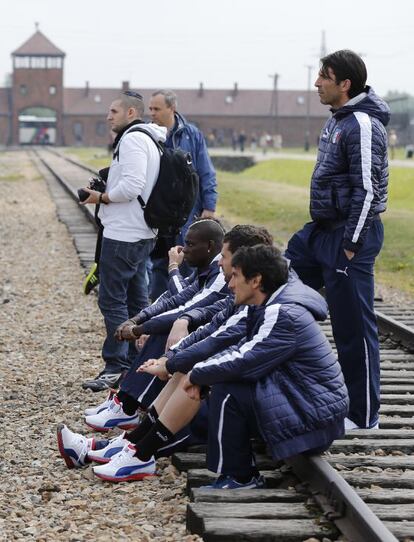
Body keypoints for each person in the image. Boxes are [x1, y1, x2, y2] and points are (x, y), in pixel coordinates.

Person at [57, 244, 348, 485]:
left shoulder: (282, 313)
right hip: (289, 397)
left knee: (216, 387)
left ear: (256, 280)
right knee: (195, 373)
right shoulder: (265, 302)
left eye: (234, 274)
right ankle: (129, 449)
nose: (229, 282)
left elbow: (245, 357)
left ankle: (233, 476)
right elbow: (220, 335)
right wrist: (176, 363)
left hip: (309, 418)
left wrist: (191, 372)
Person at [285, 50, 390, 431]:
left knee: (352, 328)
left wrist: (350, 244)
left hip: (350, 234)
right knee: (276, 286)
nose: (316, 83)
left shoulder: (361, 123)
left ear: (345, 84)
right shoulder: (339, 120)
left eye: (323, 76)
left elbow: (368, 188)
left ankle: (363, 416)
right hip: (321, 231)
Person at [80, 91, 167, 392]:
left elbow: (131, 186)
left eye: (113, 111)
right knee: (136, 300)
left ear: (131, 113)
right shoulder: (150, 138)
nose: (108, 116)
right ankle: (139, 360)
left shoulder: (132, 140)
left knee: (112, 299)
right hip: (140, 232)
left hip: (124, 234)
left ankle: (116, 365)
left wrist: (101, 197)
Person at [148, 90, 218, 299]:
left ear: (172, 108)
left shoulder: (191, 134)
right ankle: (157, 309)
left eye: (156, 109)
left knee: (187, 260)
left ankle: (185, 307)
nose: (151, 113)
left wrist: (209, 206)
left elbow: (205, 171)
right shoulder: (147, 135)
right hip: (157, 211)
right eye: (150, 109)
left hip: (186, 211)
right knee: (159, 262)